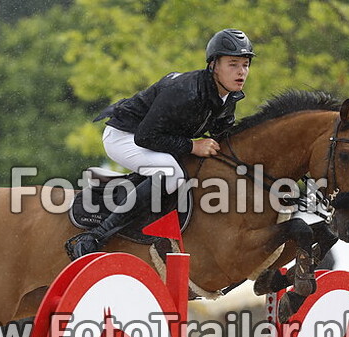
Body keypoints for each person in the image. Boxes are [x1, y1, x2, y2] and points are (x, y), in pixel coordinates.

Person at [66, 28, 255, 259]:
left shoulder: (228, 97)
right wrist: (193, 146)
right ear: (214, 65)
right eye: (233, 64)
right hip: (124, 136)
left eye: (245, 65)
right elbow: (145, 137)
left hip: (156, 139)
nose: (241, 72)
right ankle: (96, 236)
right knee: (170, 173)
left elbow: (221, 137)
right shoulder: (185, 90)